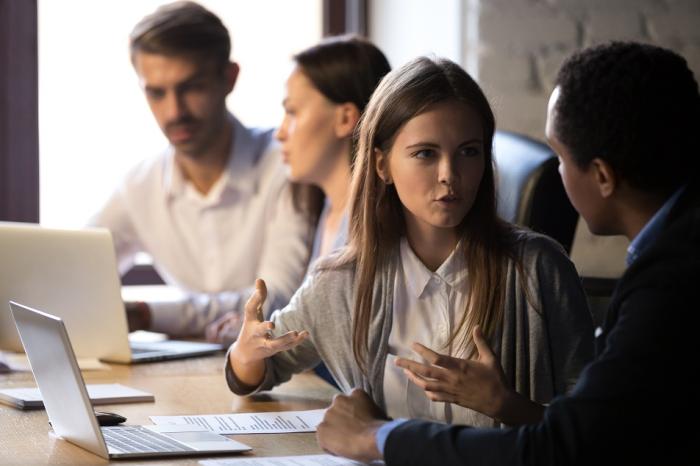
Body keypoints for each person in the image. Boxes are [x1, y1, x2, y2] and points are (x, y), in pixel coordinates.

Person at [316, 42, 700, 465]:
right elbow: (593, 430)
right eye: (426, 153)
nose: (449, 175)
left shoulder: (668, 287)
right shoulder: (669, 253)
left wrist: (377, 436)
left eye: (559, 157)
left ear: (603, 176)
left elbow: (566, 447)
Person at [225, 56, 594, 428]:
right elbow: (259, 371)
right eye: (425, 154)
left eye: (469, 151)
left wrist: (504, 404)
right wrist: (247, 350)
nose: (450, 175)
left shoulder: (539, 268)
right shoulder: (341, 279)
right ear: (382, 165)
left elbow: (592, 432)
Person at [88, 1, 312, 338]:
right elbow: (74, 272)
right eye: (156, 93)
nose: (174, 111)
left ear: (230, 78)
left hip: (279, 377)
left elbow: (276, 301)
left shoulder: (285, 167)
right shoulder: (139, 186)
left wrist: (148, 314)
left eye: (191, 87)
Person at [206, 35, 391, 349]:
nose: (280, 132)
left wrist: (275, 338)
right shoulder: (328, 210)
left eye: (292, 112)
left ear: (345, 118)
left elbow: (341, 343)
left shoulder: (373, 224)